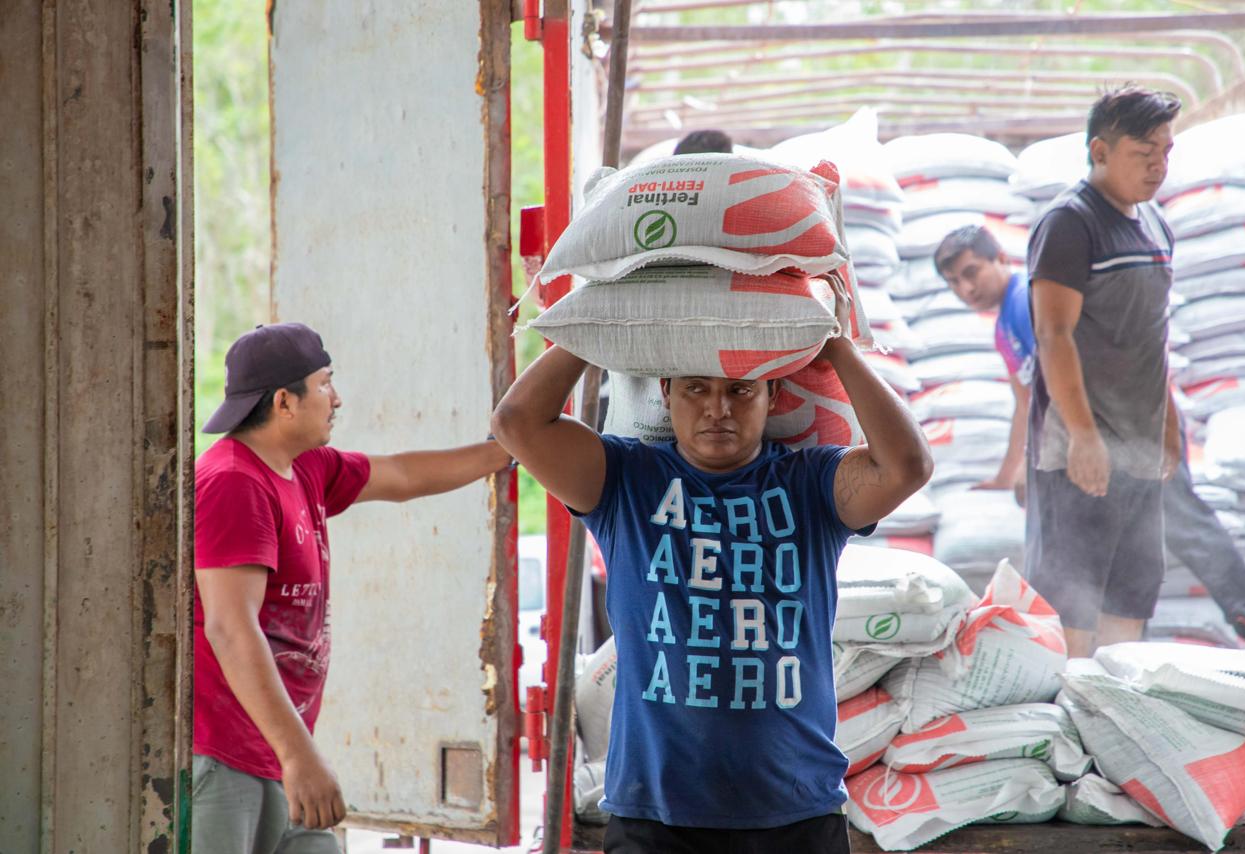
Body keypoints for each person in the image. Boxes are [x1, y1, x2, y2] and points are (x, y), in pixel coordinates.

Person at [491, 299, 932, 853]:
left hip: (795, 814)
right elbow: (515, 423)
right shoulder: (626, 481)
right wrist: (596, 319)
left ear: (774, 396)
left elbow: (907, 465)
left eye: (741, 389)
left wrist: (832, 339)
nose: (718, 408)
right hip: (656, 817)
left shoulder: (811, 484)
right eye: (696, 388)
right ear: (665, 394)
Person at [193, 322, 510, 853]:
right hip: (227, 756)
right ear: (284, 402)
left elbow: (403, 476)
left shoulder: (305, 467)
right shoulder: (233, 481)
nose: (336, 399)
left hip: (278, 750)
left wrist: (511, 449)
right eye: (325, 384)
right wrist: (300, 755)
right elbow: (230, 627)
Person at [935, 225, 1245, 652]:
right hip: (1100, 438)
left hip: (1133, 428)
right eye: (954, 283)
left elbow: (1079, 371)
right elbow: (1027, 404)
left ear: (1000, 259)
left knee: (1182, 524)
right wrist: (1010, 473)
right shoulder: (1004, 328)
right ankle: (1128, 655)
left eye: (972, 272)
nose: (966, 288)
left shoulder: (1027, 301)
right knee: (1126, 547)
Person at [1023, 86, 1183, 659]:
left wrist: (1170, 421)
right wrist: (1084, 435)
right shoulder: (1070, 223)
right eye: (1145, 153)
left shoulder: (1155, 224)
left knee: (1131, 595)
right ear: (1100, 150)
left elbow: (1151, 336)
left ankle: (1116, 711)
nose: (1159, 166)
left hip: (1140, 444)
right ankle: (1072, 727)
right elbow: (1053, 335)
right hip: (1077, 452)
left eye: (1166, 151)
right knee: (1073, 602)